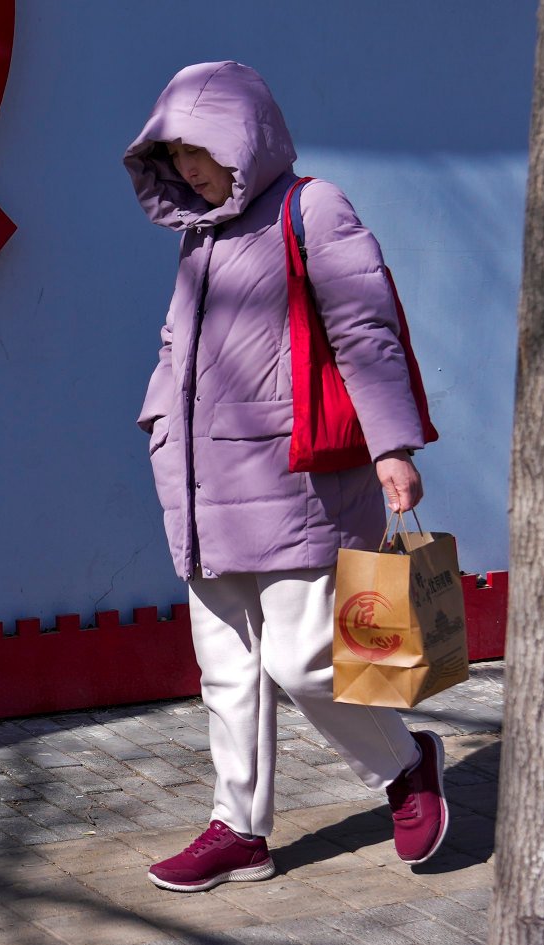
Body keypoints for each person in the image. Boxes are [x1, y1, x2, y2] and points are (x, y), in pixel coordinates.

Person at [124, 60, 447, 892]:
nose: (190, 166)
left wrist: (392, 445)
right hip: (198, 487)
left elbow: (363, 331)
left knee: (307, 661)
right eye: (176, 151)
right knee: (226, 670)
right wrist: (159, 415)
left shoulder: (314, 207)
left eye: (202, 146)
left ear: (247, 135)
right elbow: (179, 347)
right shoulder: (200, 234)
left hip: (296, 477)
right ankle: (238, 829)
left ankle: (405, 765)